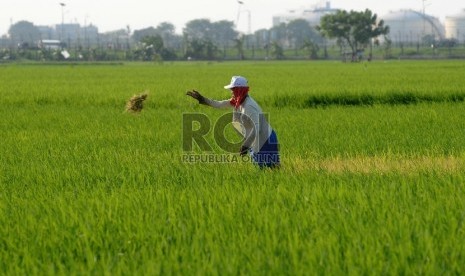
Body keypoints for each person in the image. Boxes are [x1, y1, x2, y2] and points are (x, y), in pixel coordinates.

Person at [186, 76, 280, 168]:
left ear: (240, 90)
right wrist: (202, 99)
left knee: (270, 168)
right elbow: (219, 104)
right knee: (265, 170)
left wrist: (245, 146)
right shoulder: (238, 102)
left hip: (265, 140)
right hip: (255, 141)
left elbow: (257, 128)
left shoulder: (248, 106)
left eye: (233, 89)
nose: (231, 92)